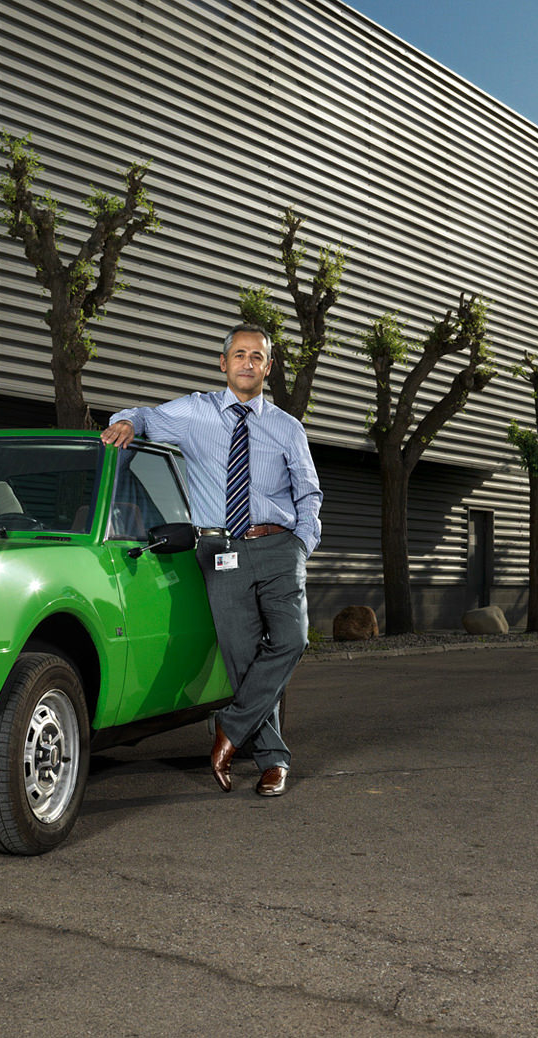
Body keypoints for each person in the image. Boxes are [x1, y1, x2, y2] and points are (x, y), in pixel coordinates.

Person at [102, 323, 322, 797]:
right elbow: (141, 415)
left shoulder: (287, 427)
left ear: (268, 366)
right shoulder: (192, 413)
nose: (247, 363)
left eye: (257, 357)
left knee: (291, 639)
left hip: (278, 545)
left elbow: (309, 492)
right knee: (241, 657)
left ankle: (231, 727)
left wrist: (301, 544)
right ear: (223, 364)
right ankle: (273, 760)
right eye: (239, 355)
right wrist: (125, 421)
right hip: (220, 551)